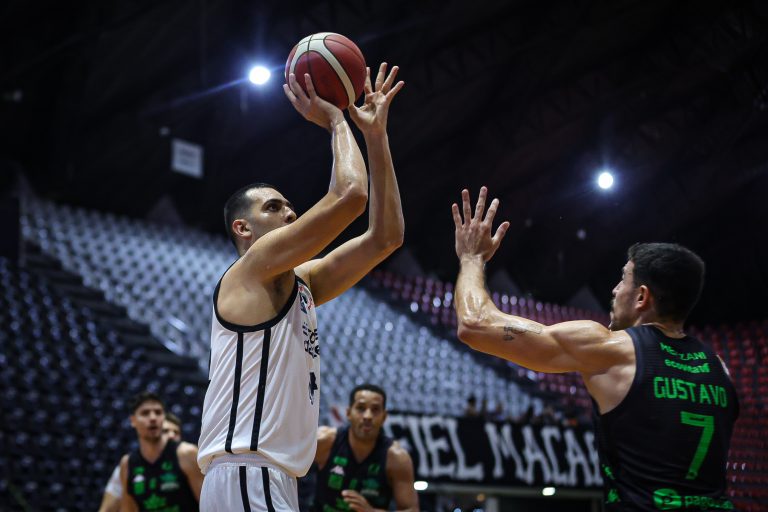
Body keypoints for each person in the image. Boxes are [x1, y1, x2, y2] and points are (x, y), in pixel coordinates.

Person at [451, 187, 739, 510]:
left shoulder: (612, 350)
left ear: (642, 296)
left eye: (623, 279)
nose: (615, 290)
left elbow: (474, 324)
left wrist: (472, 258)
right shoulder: (719, 368)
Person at [197, 63, 405, 511]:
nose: (290, 214)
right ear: (243, 228)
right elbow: (350, 195)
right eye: (274, 208)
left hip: (267, 476)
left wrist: (376, 137)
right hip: (248, 471)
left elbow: (386, 238)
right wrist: (336, 119)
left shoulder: (301, 282)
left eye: (290, 207)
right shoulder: (251, 270)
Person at [313, 384, 418, 512]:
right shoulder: (325, 441)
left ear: (384, 417)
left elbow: (411, 509)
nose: (368, 416)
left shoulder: (397, 458)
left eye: (375, 409)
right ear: (348, 413)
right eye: (361, 408)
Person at [119, 392, 203, 511]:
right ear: (133, 420)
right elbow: (128, 509)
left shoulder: (186, 453)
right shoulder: (127, 464)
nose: (153, 418)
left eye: (158, 412)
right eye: (145, 413)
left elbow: (209, 505)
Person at [98, 411, 187, 512]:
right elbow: (106, 510)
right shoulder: (128, 467)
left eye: (176, 432)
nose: (171, 435)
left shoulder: (191, 460)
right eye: (165, 431)